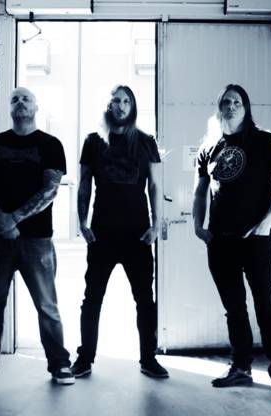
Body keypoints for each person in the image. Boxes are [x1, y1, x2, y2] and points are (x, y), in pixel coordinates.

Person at [193, 84, 271, 405]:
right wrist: (198, 227)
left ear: (246, 107)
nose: (230, 106)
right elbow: (200, 191)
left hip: (255, 240)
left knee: (266, 305)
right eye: (225, 101)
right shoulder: (209, 147)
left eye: (236, 102)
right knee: (234, 308)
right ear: (218, 107)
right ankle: (241, 367)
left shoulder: (265, 141)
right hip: (220, 241)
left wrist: (265, 225)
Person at [0, 87, 74, 385]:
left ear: (36, 107)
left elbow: (50, 190)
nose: (20, 102)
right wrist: (1, 219)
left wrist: (14, 218)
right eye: (15, 99)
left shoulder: (51, 144)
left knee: (47, 305)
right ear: (9, 108)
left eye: (26, 98)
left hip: (37, 240)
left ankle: (60, 365)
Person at [70, 85, 168, 379]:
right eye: (116, 100)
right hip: (102, 233)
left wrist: (156, 225)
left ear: (133, 106)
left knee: (145, 299)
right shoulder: (93, 141)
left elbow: (156, 186)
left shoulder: (146, 142)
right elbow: (84, 183)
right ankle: (85, 358)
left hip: (137, 233)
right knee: (92, 297)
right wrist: (82, 222)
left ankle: (148, 359)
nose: (121, 105)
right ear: (109, 105)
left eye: (127, 101)